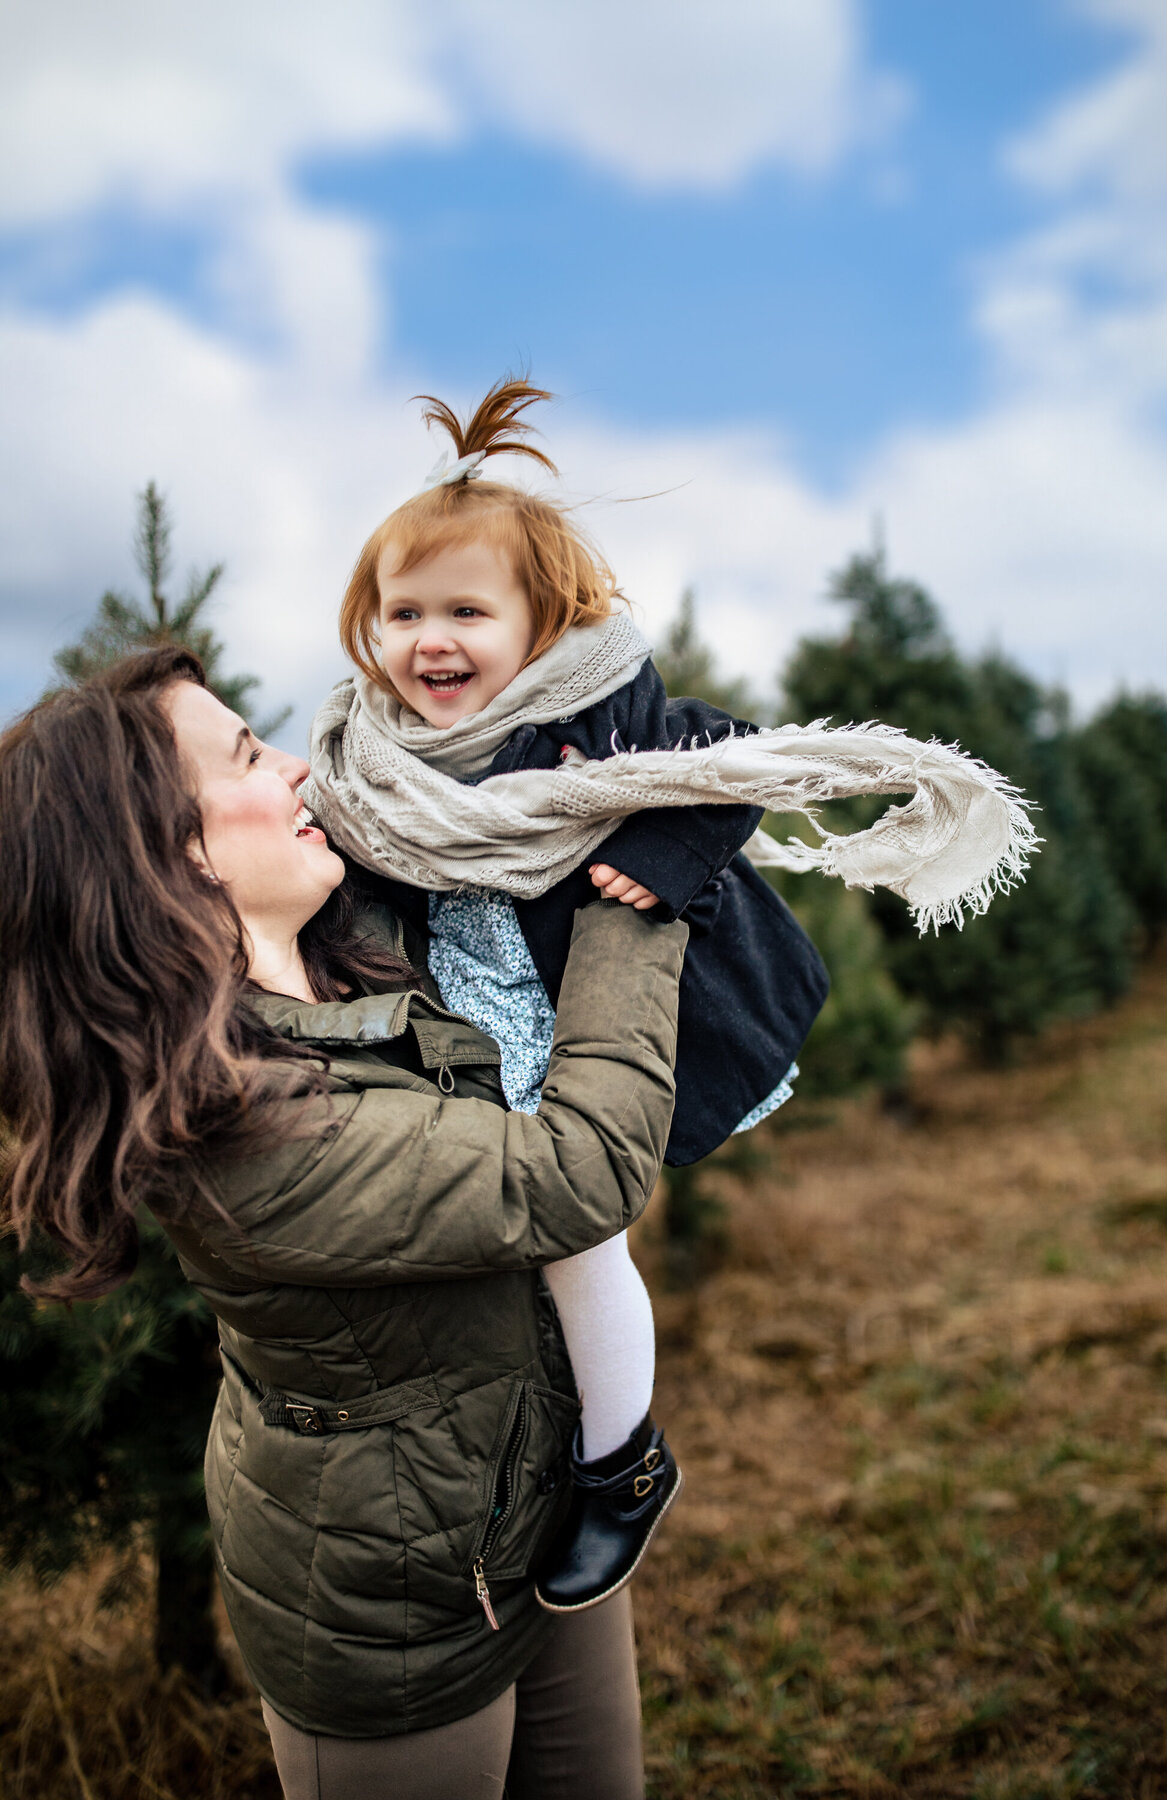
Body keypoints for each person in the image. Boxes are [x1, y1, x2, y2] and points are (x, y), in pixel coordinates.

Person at [0, 646, 692, 1800]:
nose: (293, 768)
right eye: (246, 755)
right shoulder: (244, 1140)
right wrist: (647, 893)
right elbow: (580, 1170)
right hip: (400, 1626)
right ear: (171, 855)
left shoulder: (342, 951)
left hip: (541, 1511)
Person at [308, 377, 832, 1614]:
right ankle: (554, 1430)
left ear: (541, 624)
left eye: (467, 611)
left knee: (580, 1245)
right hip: (466, 1032)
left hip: (572, 1024)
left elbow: (726, 757)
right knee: (515, 1260)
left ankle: (623, 1465)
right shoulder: (375, 757)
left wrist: (659, 854)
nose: (430, 641)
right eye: (403, 613)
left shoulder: (592, 710)